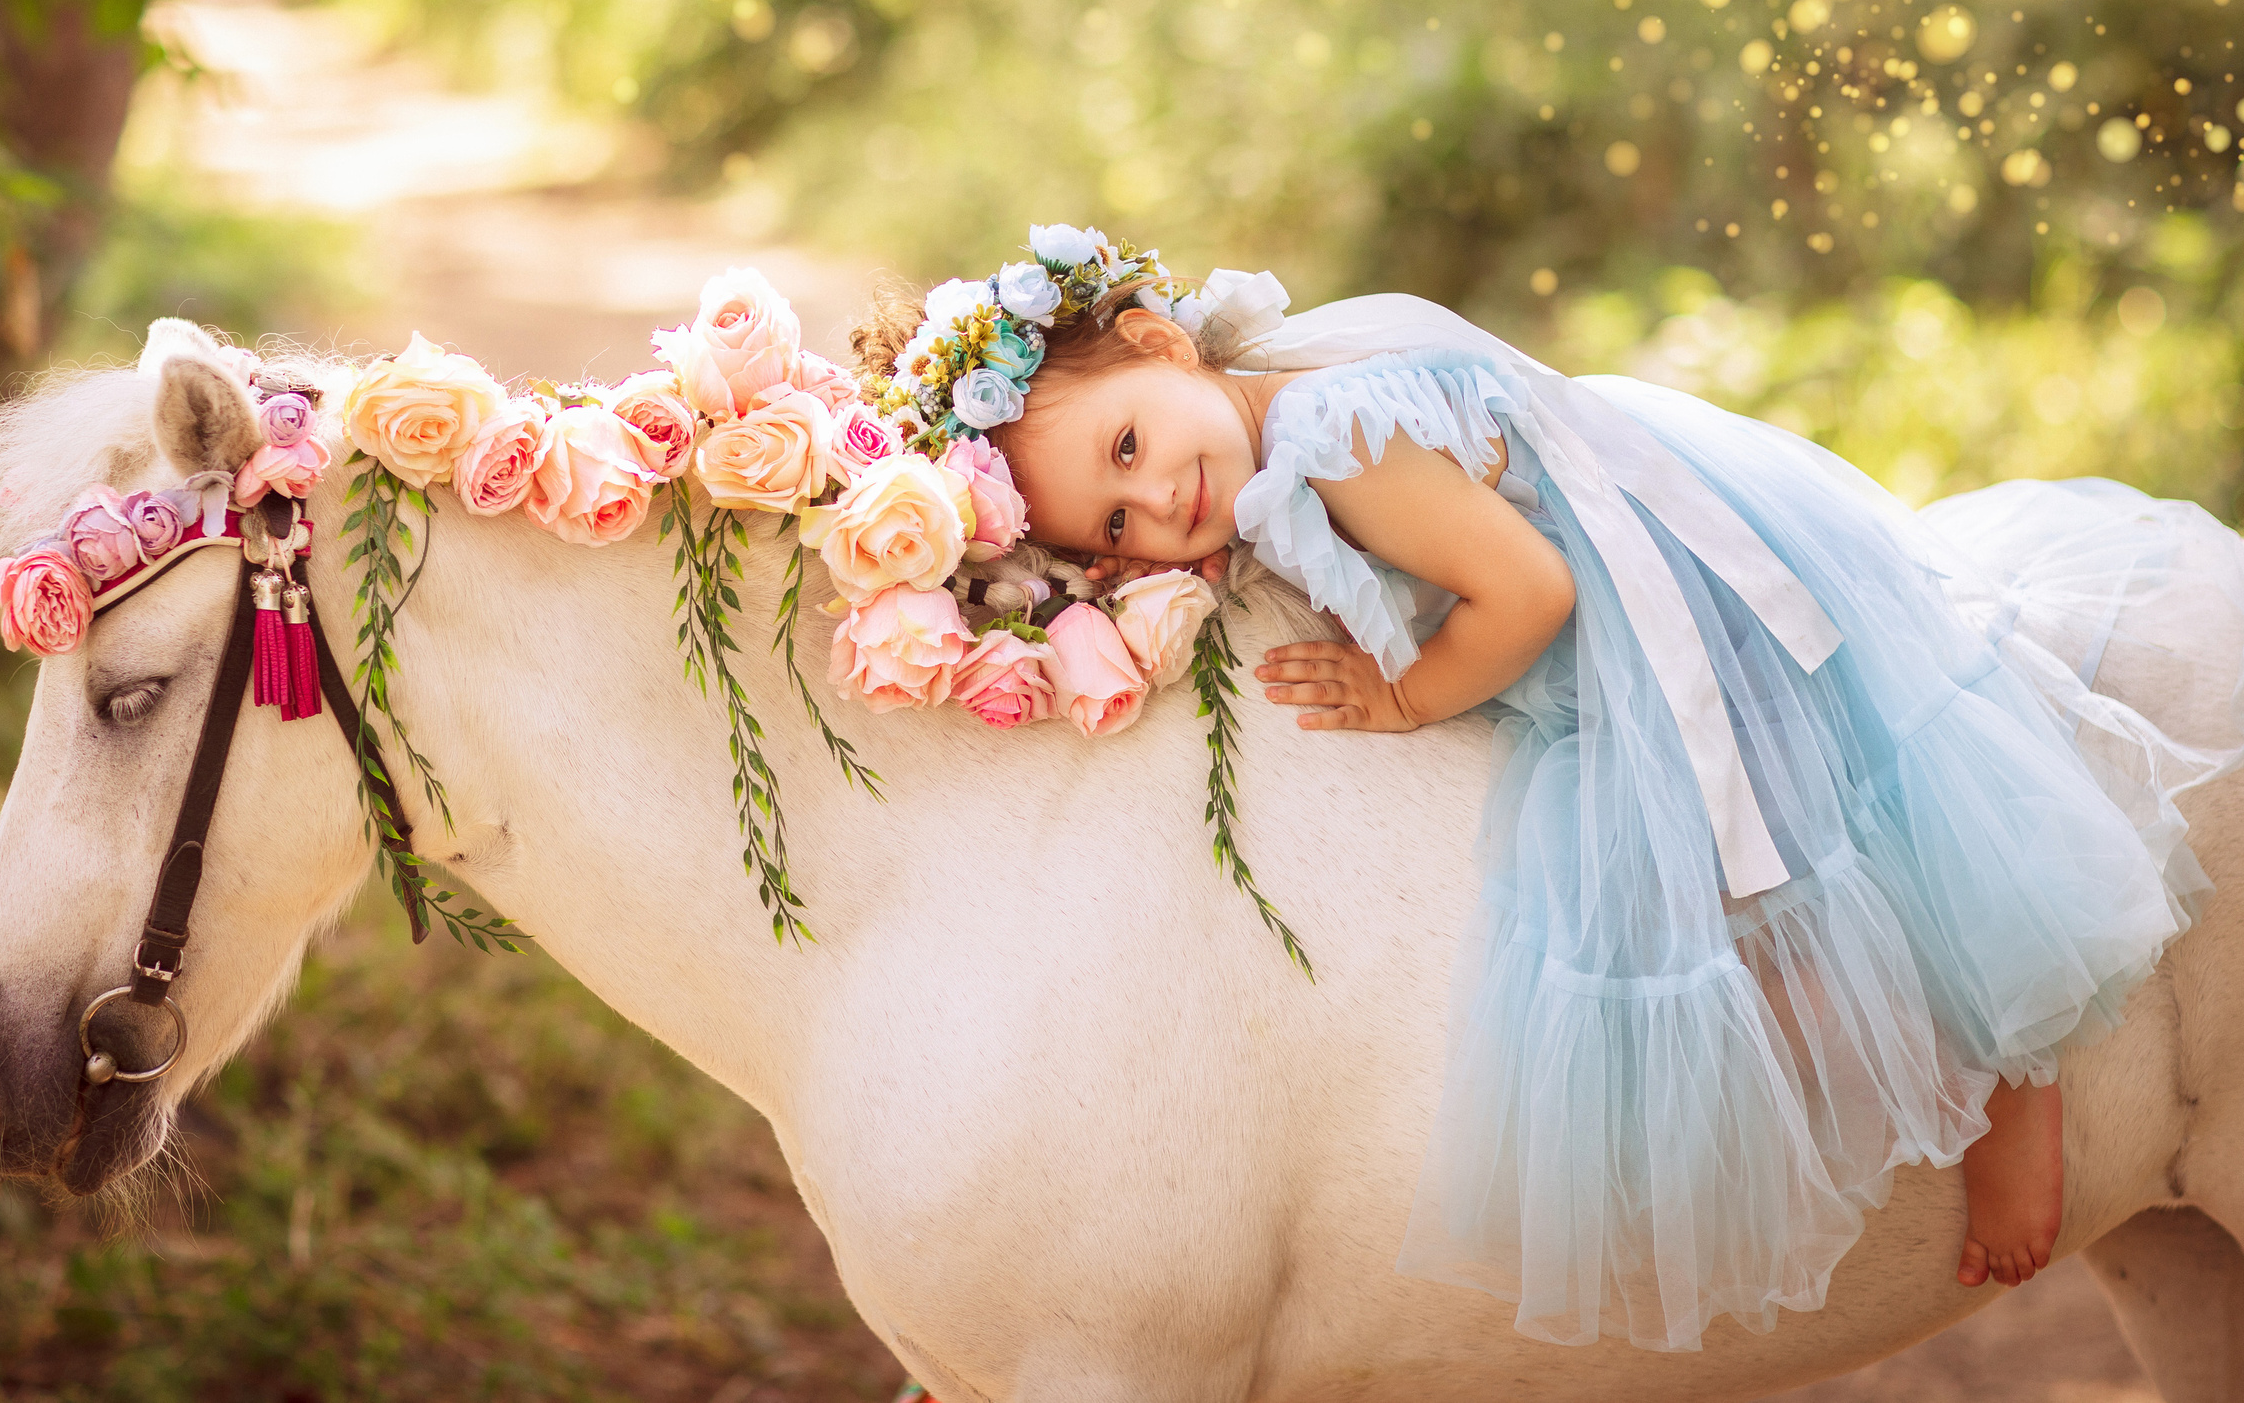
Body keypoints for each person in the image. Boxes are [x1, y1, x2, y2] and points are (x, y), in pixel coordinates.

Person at [848, 229, 2244, 1353]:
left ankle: (2010, 1085)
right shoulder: (1265, 422)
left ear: (1160, 345)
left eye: (1132, 451)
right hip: (1633, 595)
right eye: (1115, 527)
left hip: (1684, 634)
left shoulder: (1336, 441)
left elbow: (1530, 592)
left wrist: (1405, 698)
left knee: (1797, 891)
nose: (1160, 511)